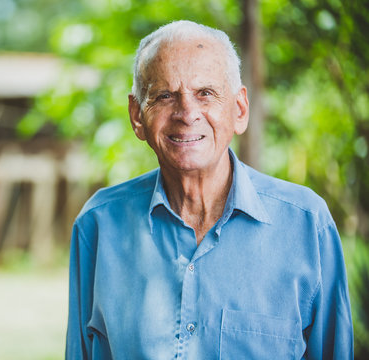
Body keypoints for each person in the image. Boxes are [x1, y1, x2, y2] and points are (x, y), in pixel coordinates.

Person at [66, 20, 353, 359]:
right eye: (164, 96)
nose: (187, 113)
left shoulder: (306, 223)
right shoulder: (99, 224)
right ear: (137, 116)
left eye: (206, 93)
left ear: (240, 109)